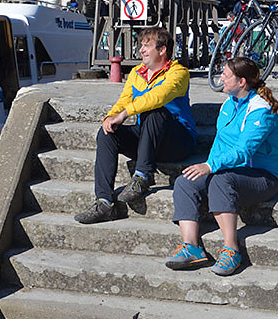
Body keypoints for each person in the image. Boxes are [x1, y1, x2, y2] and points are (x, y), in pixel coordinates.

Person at [165, 57, 278, 276]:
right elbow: (220, 144)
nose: (221, 78)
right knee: (185, 181)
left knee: (220, 180)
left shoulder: (261, 109)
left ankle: (231, 249)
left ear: (242, 82)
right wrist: (207, 166)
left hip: (263, 176)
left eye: (226, 75)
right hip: (231, 171)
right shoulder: (229, 103)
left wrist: (211, 166)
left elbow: (244, 151)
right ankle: (191, 247)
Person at [75, 27, 198, 224]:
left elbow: (158, 96)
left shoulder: (179, 72)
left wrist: (124, 114)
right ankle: (104, 202)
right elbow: (124, 100)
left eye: (147, 46)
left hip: (178, 141)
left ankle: (141, 177)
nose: (141, 50)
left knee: (155, 110)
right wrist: (111, 117)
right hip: (147, 140)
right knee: (107, 133)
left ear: (162, 50)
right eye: (141, 45)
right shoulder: (136, 73)